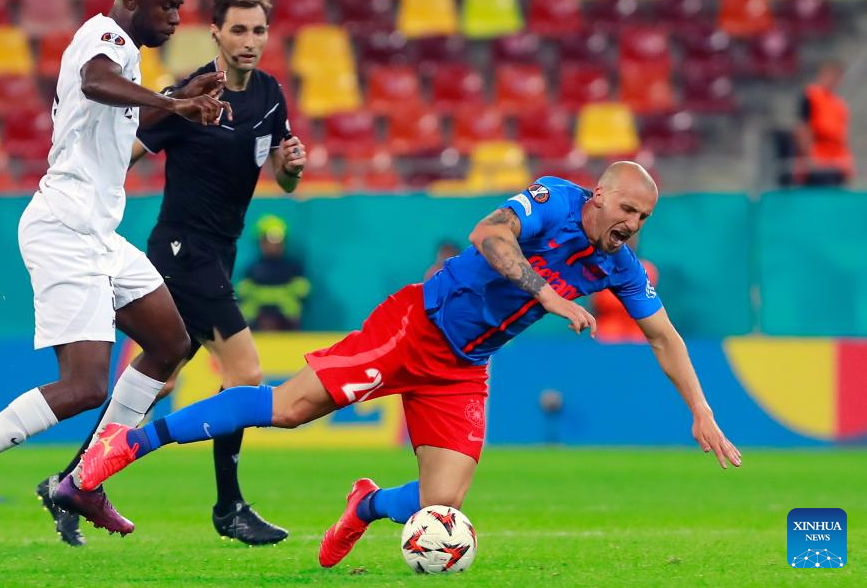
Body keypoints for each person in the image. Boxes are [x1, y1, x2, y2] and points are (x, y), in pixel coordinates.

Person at [76, 161, 743, 568]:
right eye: (627, 208)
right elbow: (489, 234)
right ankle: (127, 444)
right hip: (413, 328)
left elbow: (665, 337)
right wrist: (546, 295)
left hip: (464, 368)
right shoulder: (554, 201)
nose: (633, 224)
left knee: (441, 502)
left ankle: (364, 506)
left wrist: (702, 412)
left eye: (644, 217)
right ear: (598, 196)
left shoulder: (620, 265)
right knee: (287, 408)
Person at [0, 0, 232, 547]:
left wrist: (177, 93)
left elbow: (113, 113)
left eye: (180, 7)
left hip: (99, 235)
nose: (176, 18)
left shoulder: (125, 54)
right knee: (84, 387)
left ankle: (85, 481)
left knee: (170, 344)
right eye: (167, 5)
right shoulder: (104, 37)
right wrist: (175, 104)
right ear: (131, 1)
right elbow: (94, 82)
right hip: (65, 230)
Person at [36, 0, 307, 546]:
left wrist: (291, 168)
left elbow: (282, 176)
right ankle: (229, 507)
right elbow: (123, 151)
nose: (250, 41)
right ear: (215, 32)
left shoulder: (270, 95)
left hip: (219, 253)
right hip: (183, 251)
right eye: (238, 29)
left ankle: (71, 481)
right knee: (245, 374)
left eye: (258, 30)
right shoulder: (189, 97)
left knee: (156, 384)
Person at [782, 60, 853, 187]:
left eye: (837, 77)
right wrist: (808, 156)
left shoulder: (839, 104)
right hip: (817, 157)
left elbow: (841, 135)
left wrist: (845, 161)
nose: (833, 80)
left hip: (836, 160)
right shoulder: (811, 96)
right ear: (822, 75)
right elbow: (803, 127)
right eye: (831, 75)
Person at [237, 214, 310, 331]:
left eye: (278, 242)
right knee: (246, 310)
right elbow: (242, 289)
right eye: (267, 242)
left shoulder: (292, 266)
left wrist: (281, 296)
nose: (273, 246)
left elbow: (303, 289)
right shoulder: (253, 268)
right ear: (260, 242)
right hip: (258, 316)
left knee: (293, 309)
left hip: (285, 316)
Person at [593, 258, 659, 343]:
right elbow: (597, 305)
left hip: (639, 333)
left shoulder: (646, 269)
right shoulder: (601, 269)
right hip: (609, 332)